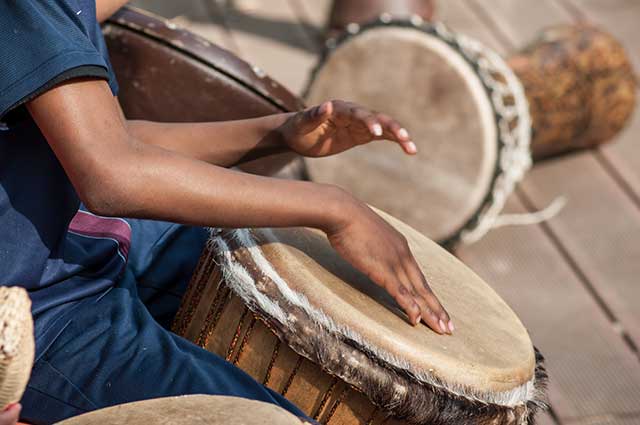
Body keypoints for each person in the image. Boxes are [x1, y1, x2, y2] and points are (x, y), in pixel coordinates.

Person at [0, 0, 453, 423]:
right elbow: (111, 174)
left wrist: (280, 132)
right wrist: (335, 208)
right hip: (37, 317)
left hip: (80, 238)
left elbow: (103, 139)